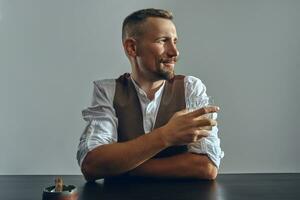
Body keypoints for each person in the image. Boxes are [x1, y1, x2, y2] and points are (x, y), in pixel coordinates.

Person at [77, 8, 224, 182]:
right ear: (132, 48)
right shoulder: (108, 91)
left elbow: (206, 167)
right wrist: (166, 135)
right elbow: (92, 165)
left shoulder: (191, 88)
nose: (174, 52)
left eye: (175, 42)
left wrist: (119, 166)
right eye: (163, 41)